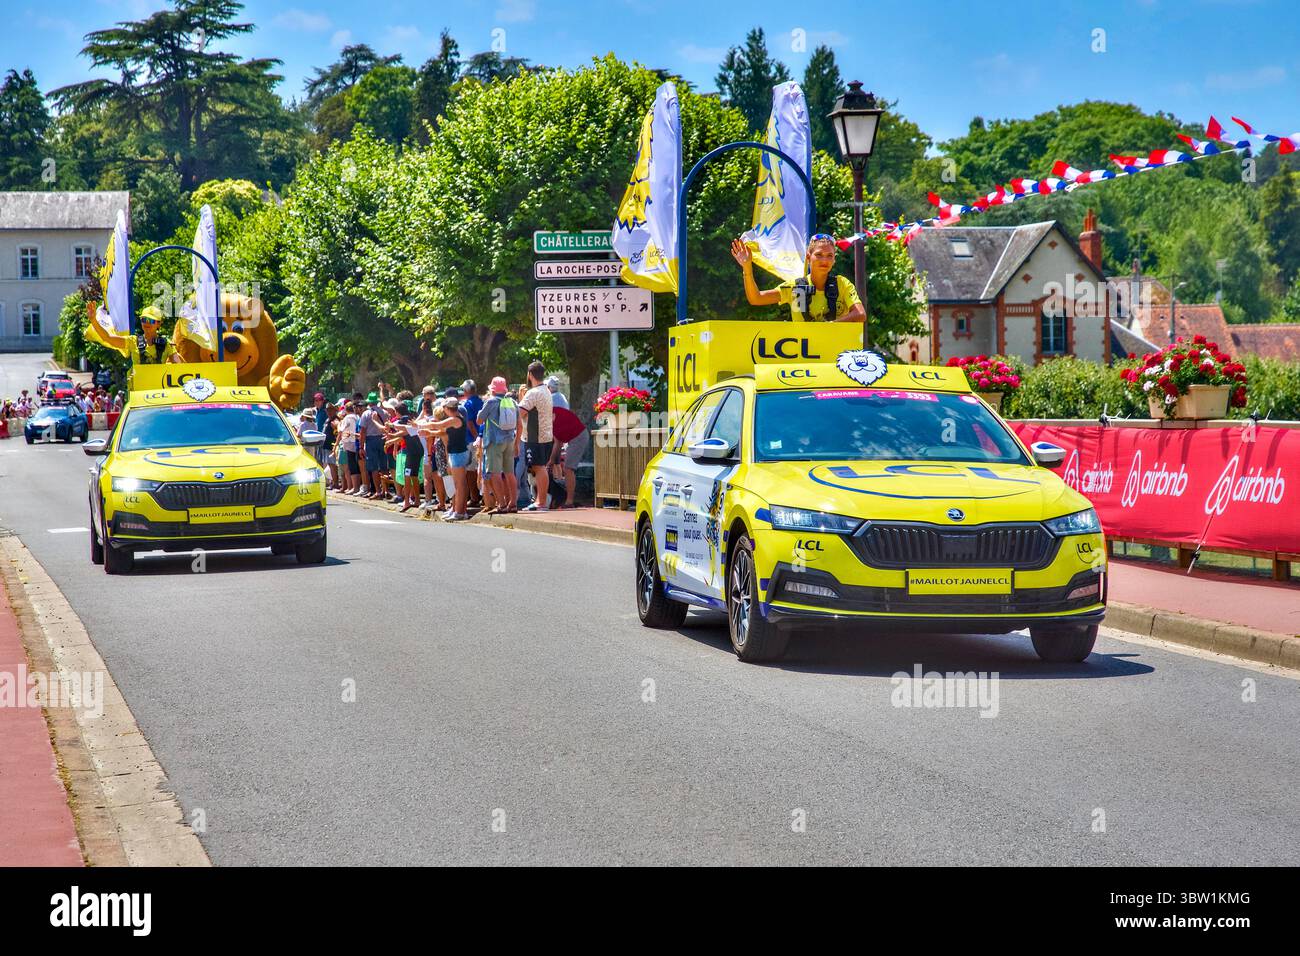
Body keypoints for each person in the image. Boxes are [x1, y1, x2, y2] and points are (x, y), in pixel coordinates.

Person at [730, 234, 866, 322]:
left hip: (835, 357)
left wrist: (829, 326)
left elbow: (860, 314)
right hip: (804, 357)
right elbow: (756, 299)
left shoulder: (842, 284)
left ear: (834, 260)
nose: (824, 260)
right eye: (819, 255)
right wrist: (747, 267)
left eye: (829, 256)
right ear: (808, 257)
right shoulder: (796, 288)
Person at [420, 387, 470, 520]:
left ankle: (459, 512)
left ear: (448, 409)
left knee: (459, 484)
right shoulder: (456, 418)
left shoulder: (454, 419)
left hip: (458, 453)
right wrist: (429, 432)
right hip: (457, 453)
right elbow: (442, 431)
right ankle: (460, 510)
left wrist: (419, 426)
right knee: (459, 484)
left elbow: (438, 425)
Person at [477, 376, 519, 515]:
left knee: (495, 474)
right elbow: (519, 423)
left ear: (493, 390)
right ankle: (512, 503)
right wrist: (517, 442)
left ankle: (501, 504)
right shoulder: (512, 402)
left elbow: (479, 420)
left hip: (494, 442)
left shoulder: (490, 402)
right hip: (510, 441)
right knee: (510, 473)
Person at [518, 361, 554, 511]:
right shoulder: (546, 390)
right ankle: (540, 501)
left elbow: (520, 412)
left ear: (530, 375)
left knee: (539, 468)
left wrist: (521, 398)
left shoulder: (533, 393)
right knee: (541, 468)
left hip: (535, 436)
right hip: (546, 435)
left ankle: (541, 502)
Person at [548, 404, 588, 509]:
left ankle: (569, 501)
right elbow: (558, 442)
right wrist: (551, 461)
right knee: (567, 468)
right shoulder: (554, 412)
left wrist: (551, 461)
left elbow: (558, 444)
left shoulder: (552, 420)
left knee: (568, 468)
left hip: (578, 437)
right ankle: (568, 499)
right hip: (575, 437)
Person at [459, 379, 484, 509]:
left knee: (471, 470)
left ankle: (474, 497)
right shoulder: (480, 401)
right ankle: (479, 496)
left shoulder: (468, 404)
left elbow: (469, 423)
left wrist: (476, 438)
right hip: (480, 439)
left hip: (471, 441)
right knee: (479, 469)